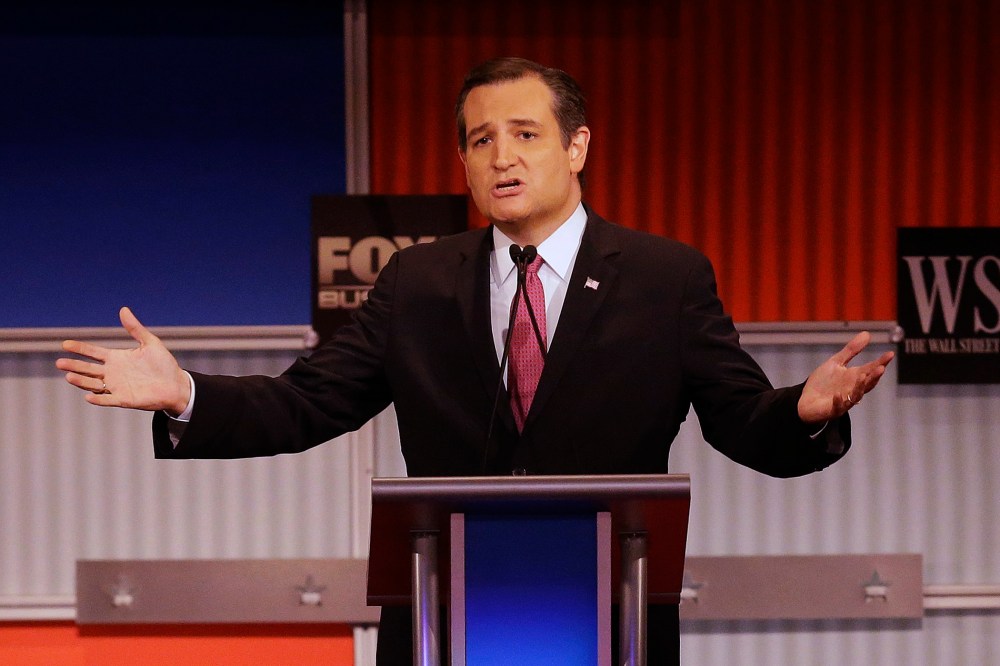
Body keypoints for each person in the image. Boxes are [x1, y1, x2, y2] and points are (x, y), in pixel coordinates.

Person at [57, 57, 894, 664]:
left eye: (526, 134)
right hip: (443, 615)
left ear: (577, 147)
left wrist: (803, 410)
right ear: (462, 161)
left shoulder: (664, 277)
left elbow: (741, 421)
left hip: (611, 615)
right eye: (480, 140)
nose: (502, 157)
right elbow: (307, 402)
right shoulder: (417, 280)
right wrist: (185, 393)